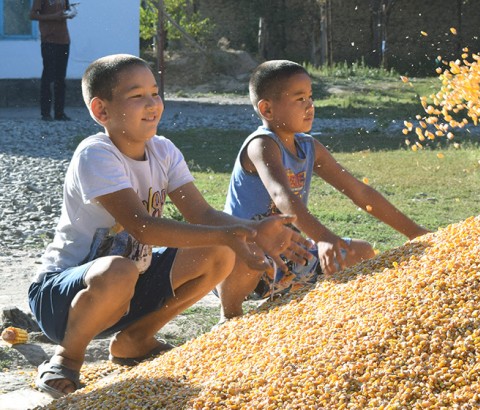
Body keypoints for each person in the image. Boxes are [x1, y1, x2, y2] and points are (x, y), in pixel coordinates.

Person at [28, 54, 310, 398]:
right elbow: (143, 227)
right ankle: (66, 359)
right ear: (101, 111)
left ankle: (136, 339)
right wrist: (239, 233)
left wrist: (253, 233)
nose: (152, 105)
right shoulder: (96, 154)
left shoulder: (163, 150)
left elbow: (202, 214)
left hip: (129, 287)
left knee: (220, 249)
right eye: (137, 96)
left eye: (155, 93)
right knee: (118, 269)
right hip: (61, 297)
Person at [216, 60, 430, 318]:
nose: (309, 105)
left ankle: (290, 297)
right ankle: (230, 314)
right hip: (247, 258)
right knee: (241, 251)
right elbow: (280, 195)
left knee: (361, 252)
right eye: (299, 98)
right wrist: (324, 238)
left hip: (292, 254)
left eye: (310, 97)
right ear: (267, 109)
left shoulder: (309, 147)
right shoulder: (261, 145)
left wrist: (415, 232)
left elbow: (359, 192)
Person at [29, 0, 75, 121]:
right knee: (48, 77)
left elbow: (65, 11)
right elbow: (32, 15)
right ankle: (45, 113)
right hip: (49, 41)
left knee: (61, 78)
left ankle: (59, 113)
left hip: (64, 40)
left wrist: (70, 14)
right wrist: (53, 17)